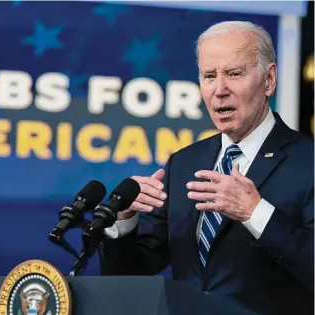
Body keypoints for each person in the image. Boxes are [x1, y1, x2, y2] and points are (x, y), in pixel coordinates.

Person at [99, 21, 314, 315]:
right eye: (209, 76)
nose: (220, 90)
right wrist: (125, 220)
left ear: (269, 80)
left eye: (234, 74)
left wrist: (255, 213)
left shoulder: (308, 161)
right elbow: (128, 276)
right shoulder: (185, 163)